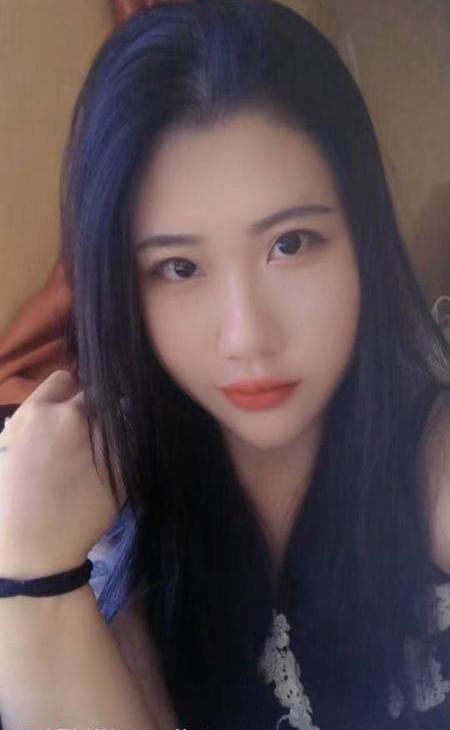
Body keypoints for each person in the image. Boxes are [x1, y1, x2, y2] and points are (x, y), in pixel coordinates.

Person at [0, 1, 449, 728]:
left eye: (290, 244)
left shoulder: (430, 461)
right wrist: (34, 571)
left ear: (362, 238)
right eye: (179, 267)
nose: (247, 336)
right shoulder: (97, 524)